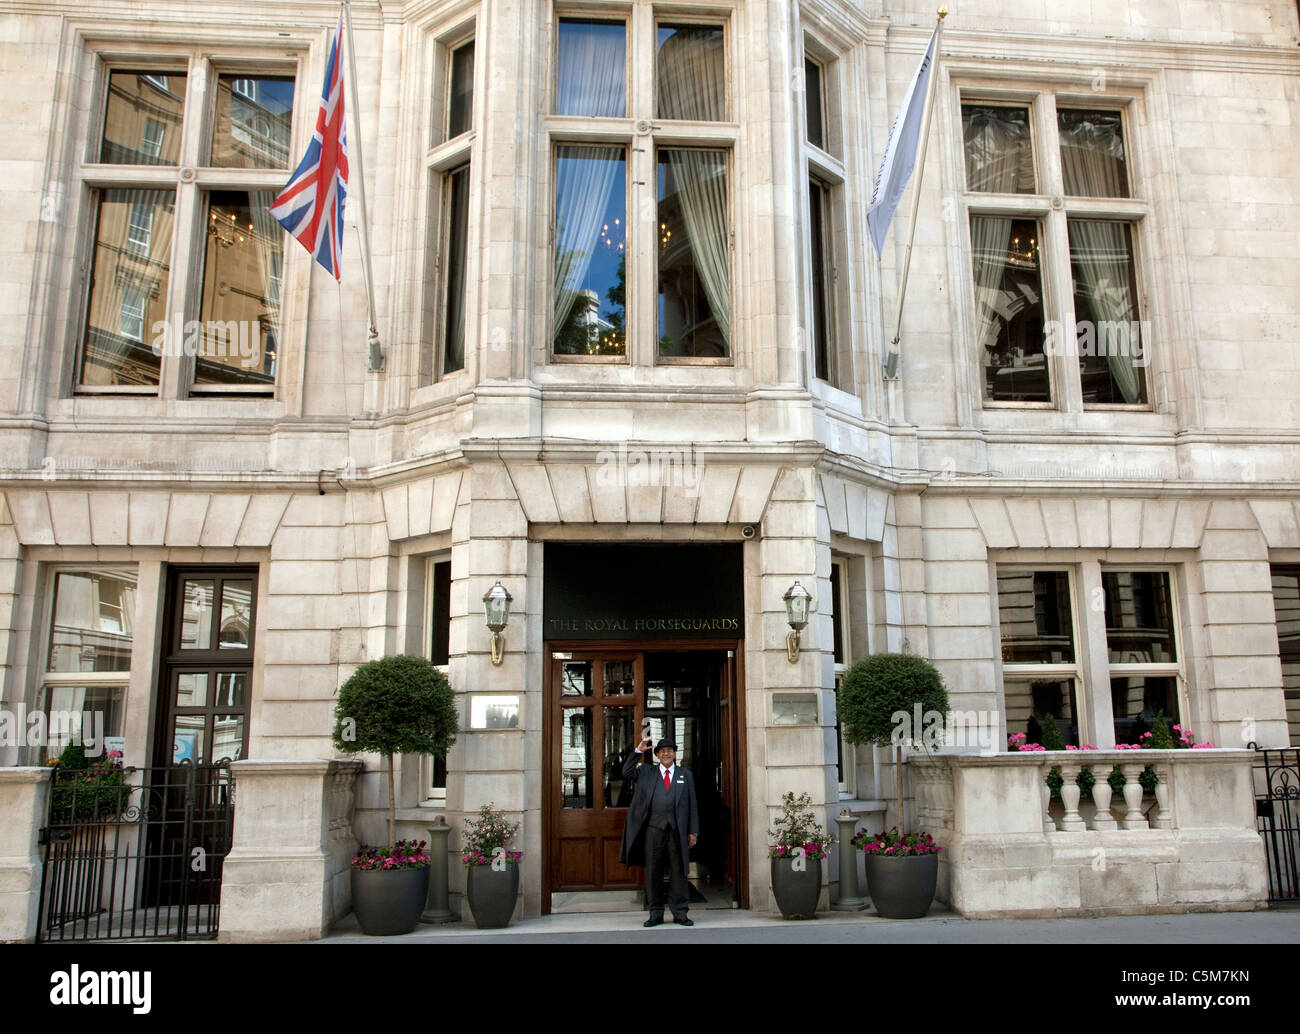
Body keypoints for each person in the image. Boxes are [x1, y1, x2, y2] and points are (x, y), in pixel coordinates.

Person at [619, 736, 699, 927]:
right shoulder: (647, 772)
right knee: (653, 872)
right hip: (653, 831)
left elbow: (692, 805)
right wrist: (638, 751)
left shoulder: (685, 775)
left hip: (677, 831)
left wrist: (693, 831)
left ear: (674, 754)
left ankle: (680, 912)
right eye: (662, 751)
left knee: (679, 872)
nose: (666, 754)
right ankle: (655, 913)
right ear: (657, 755)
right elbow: (626, 772)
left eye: (670, 750)